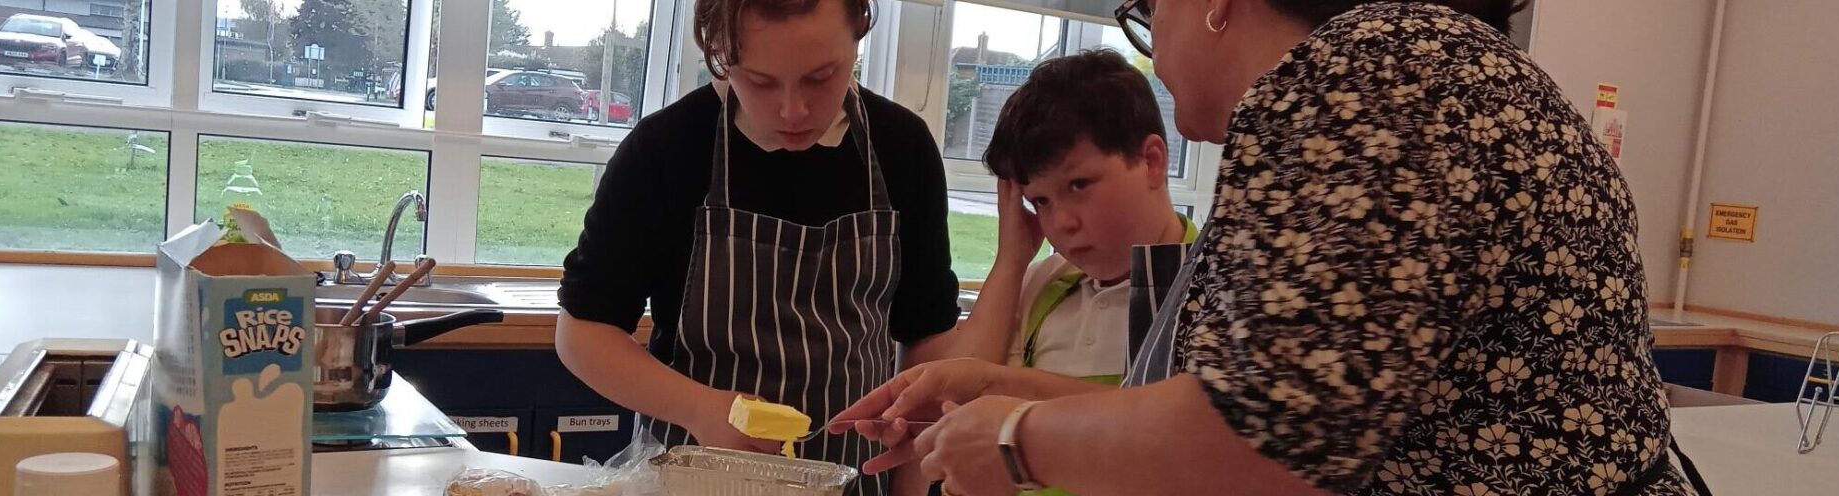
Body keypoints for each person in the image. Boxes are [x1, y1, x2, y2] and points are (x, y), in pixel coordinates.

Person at [835, 1, 1699, 495]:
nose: (1155, 51)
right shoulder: (1414, 69)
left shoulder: (1360, 80)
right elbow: (1242, 396)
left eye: (1149, 13)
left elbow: (1262, 436)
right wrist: (990, 385)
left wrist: (1018, 437)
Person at [550, 0, 959, 493]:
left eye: (821, 76)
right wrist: (699, 407)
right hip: (693, 479)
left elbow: (927, 340)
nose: (793, 110)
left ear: (859, 31)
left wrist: (909, 488)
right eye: (761, 81)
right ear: (718, 50)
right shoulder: (669, 148)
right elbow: (583, 334)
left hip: (856, 480)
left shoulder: (902, 148)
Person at [922, 49, 1196, 385]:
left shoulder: (1215, 283)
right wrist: (1011, 261)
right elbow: (957, 390)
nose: (1061, 223)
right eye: (1040, 200)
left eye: (1079, 185)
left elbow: (1175, 426)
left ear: (1151, 162)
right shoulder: (1042, 284)